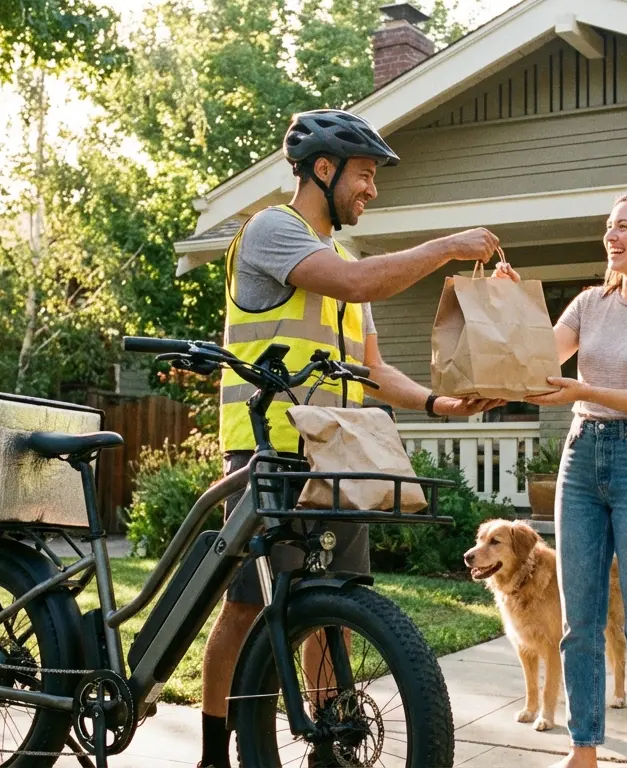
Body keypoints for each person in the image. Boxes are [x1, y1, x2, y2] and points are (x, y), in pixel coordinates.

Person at [197, 108, 505, 768]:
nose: (372, 190)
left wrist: (441, 402)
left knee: (330, 608)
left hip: (335, 459)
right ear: (325, 169)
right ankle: (213, 756)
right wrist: (448, 246)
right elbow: (358, 282)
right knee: (248, 607)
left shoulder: (344, 257)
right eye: (365, 175)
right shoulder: (272, 232)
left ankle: (328, 746)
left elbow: (372, 368)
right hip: (269, 451)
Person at [498, 190, 627, 768]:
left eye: (624, 228)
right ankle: (583, 748)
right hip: (582, 458)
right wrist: (510, 304)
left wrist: (585, 390)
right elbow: (539, 361)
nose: (611, 237)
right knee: (580, 619)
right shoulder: (590, 304)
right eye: (608, 228)